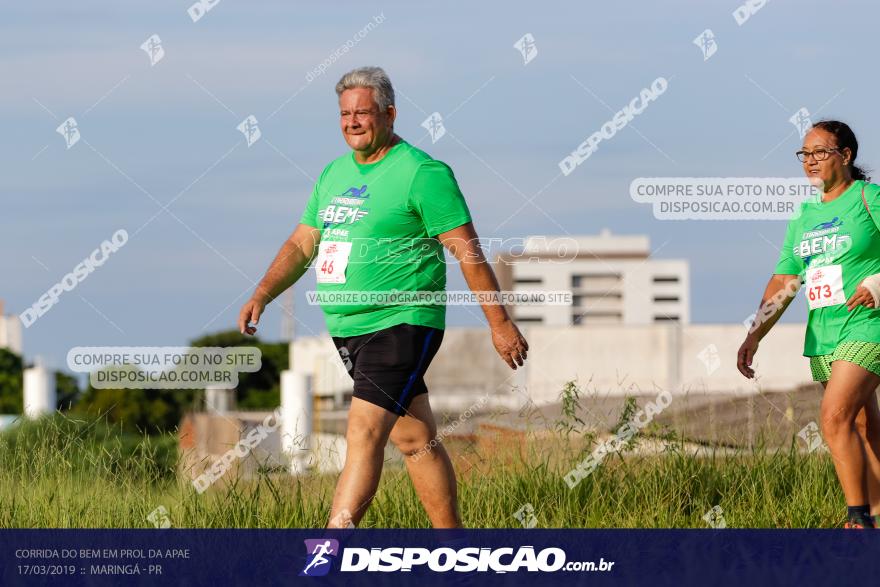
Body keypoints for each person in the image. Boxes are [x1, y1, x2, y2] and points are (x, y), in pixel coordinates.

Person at [238, 66, 529, 528]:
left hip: (402, 321)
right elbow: (301, 244)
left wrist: (499, 323)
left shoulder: (422, 173)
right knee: (416, 440)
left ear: (390, 114)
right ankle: (456, 552)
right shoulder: (332, 175)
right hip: (349, 329)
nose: (353, 122)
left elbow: (468, 252)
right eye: (344, 114)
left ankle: (328, 556)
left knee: (363, 432)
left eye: (364, 113)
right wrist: (264, 292)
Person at [737, 120, 880, 528]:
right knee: (864, 426)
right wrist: (754, 335)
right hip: (824, 332)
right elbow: (785, 281)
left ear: (846, 156)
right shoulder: (804, 216)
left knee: (834, 417)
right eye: (805, 154)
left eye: (820, 152)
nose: (810, 161)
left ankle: (857, 520)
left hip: (868, 324)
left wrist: (878, 285)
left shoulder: (869, 198)